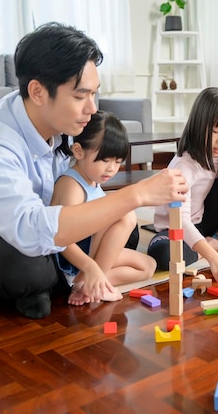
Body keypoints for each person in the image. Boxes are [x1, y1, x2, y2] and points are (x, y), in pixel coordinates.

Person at [0, 22, 187, 319]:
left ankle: (62, 284)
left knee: (124, 229)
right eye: (80, 96)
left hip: (40, 231)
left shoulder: (61, 126)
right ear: (38, 92)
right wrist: (136, 195)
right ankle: (52, 284)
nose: (92, 108)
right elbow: (29, 229)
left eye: (94, 94)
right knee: (30, 268)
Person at [51, 111, 156, 305]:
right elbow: (61, 240)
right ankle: (86, 280)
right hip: (75, 261)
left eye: (117, 162)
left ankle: (89, 286)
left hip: (92, 254)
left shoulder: (93, 180)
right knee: (126, 216)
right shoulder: (71, 186)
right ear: (79, 151)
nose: (111, 169)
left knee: (148, 266)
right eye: (105, 160)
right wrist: (89, 266)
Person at [147, 87, 218, 291]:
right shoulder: (184, 166)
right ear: (199, 126)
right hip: (174, 228)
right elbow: (180, 220)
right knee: (164, 255)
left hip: (203, 222)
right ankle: (209, 245)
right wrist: (212, 256)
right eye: (216, 132)